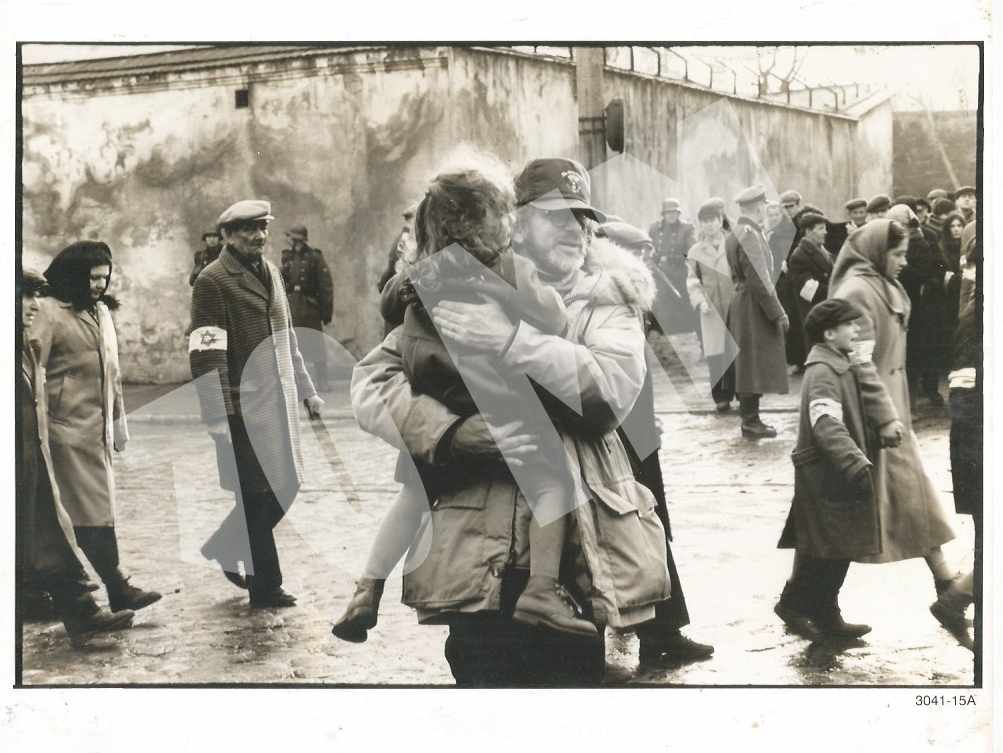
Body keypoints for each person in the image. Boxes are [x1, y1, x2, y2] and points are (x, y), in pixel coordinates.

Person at [350, 157, 673, 686]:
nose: (576, 229)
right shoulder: (465, 284)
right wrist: (449, 433)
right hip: (476, 546)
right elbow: (372, 383)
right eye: (557, 216)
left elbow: (607, 394)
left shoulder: (609, 300)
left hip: (574, 548)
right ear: (517, 220)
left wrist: (509, 341)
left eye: (583, 217)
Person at [334, 167, 597, 641]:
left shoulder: (423, 270)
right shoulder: (506, 267)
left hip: (437, 394)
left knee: (412, 498)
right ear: (496, 220)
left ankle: (367, 588)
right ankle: (542, 589)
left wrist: (411, 280)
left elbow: (390, 302)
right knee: (552, 480)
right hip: (492, 395)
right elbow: (552, 315)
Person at [190, 200, 325, 608]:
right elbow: (205, 352)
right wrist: (217, 414)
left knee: (288, 485)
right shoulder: (212, 281)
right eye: (247, 230)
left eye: (262, 228)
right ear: (228, 235)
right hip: (243, 408)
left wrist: (306, 388)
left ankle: (223, 545)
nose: (258, 236)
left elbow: (288, 338)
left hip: (279, 403)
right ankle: (265, 587)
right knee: (254, 494)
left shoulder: (271, 272)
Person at [598, 220, 715, 663]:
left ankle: (655, 629)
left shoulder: (624, 298)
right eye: (639, 254)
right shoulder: (612, 298)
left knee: (647, 527)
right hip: (621, 436)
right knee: (642, 529)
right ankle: (660, 634)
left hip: (636, 430)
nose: (647, 261)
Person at [829, 219, 960, 603]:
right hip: (870, 413)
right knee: (848, 508)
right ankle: (805, 599)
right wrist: (884, 414)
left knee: (904, 495)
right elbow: (860, 362)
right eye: (898, 253)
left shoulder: (883, 284)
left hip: (889, 409)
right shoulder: (857, 291)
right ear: (875, 252)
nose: (904, 261)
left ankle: (946, 582)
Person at [33, 242, 161, 615]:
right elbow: (31, 369)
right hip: (62, 433)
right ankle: (116, 586)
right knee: (87, 513)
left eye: (105, 278)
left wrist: (119, 421)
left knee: (94, 511)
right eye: (92, 278)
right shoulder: (50, 313)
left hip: (95, 432)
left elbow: (112, 374)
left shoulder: (101, 313)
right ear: (73, 275)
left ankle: (107, 587)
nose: (99, 286)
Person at [18, 269, 136, 644]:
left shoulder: (24, 340)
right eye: (23, 296)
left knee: (50, 532)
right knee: (44, 534)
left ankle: (83, 609)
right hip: (46, 442)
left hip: (36, 452)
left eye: (35, 296)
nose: (33, 306)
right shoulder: (44, 325)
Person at [774, 299, 877, 639]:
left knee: (836, 546)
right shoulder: (823, 371)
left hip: (834, 472)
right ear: (830, 333)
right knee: (822, 548)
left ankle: (826, 611)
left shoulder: (837, 363)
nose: (856, 329)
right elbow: (826, 422)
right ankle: (794, 605)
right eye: (850, 324)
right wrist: (853, 460)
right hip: (826, 474)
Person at [930, 221, 979, 653]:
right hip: (980, 446)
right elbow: (965, 395)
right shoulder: (978, 318)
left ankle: (964, 599)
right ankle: (956, 599)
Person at [726, 185, 789, 439]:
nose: (765, 210)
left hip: (744, 301)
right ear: (759, 207)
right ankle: (750, 421)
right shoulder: (750, 234)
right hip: (753, 304)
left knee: (747, 362)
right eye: (763, 206)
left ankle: (751, 418)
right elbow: (760, 279)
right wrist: (778, 312)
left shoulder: (737, 232)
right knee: (751, 363)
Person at [891, 203, 951, 407]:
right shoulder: (891, 240)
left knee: (929, 349)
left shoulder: (928, 236)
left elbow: (941, 265)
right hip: (903, 300)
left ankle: (931, 391)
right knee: (909, 354)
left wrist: (931, 282)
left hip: (926, 303)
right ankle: (910, 399)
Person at [686, 200, 737, 412]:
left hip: (735, 304)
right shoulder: (696, 251)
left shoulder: (733, 243)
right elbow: (692, 281)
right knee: (716, 354)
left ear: (720, 220)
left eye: (713, 220)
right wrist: (700, 302)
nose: (709, 225)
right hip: (711, 308)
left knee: (736, 351)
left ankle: (743, 394)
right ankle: (721, 399)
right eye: (704, 221)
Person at [280, 224, 335, 389]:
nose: (288, 240)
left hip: (309, 306)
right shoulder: (287, 257)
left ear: (297, 239)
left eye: (290, 237)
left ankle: (322, 380)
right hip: (292, 305)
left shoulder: (314, 257)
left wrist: (326, 313)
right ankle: (296, 382)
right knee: (294, 343)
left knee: (315, 343)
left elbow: (325, 286)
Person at [648, 198, 696, 334]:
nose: (671, 215)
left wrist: (670, 258)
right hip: (659, 273)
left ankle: (684, 329)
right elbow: (649, 248)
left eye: (674, 212)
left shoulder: (687, 228)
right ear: (663, 214)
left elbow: (691, 252)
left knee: (682, 302)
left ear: (678, 213)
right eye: (668, 213)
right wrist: (653, 260)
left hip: (680, 272)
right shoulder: (654, 228)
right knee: (660, 301)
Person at [786, 212, 832, 327]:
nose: (825, 232)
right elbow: (810, 291)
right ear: (808, 231)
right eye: (821, 229)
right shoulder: (799, 256)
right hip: (815, 315)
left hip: (827, 309)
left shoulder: (822, 250)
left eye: (825, 228)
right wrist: (836, 288)